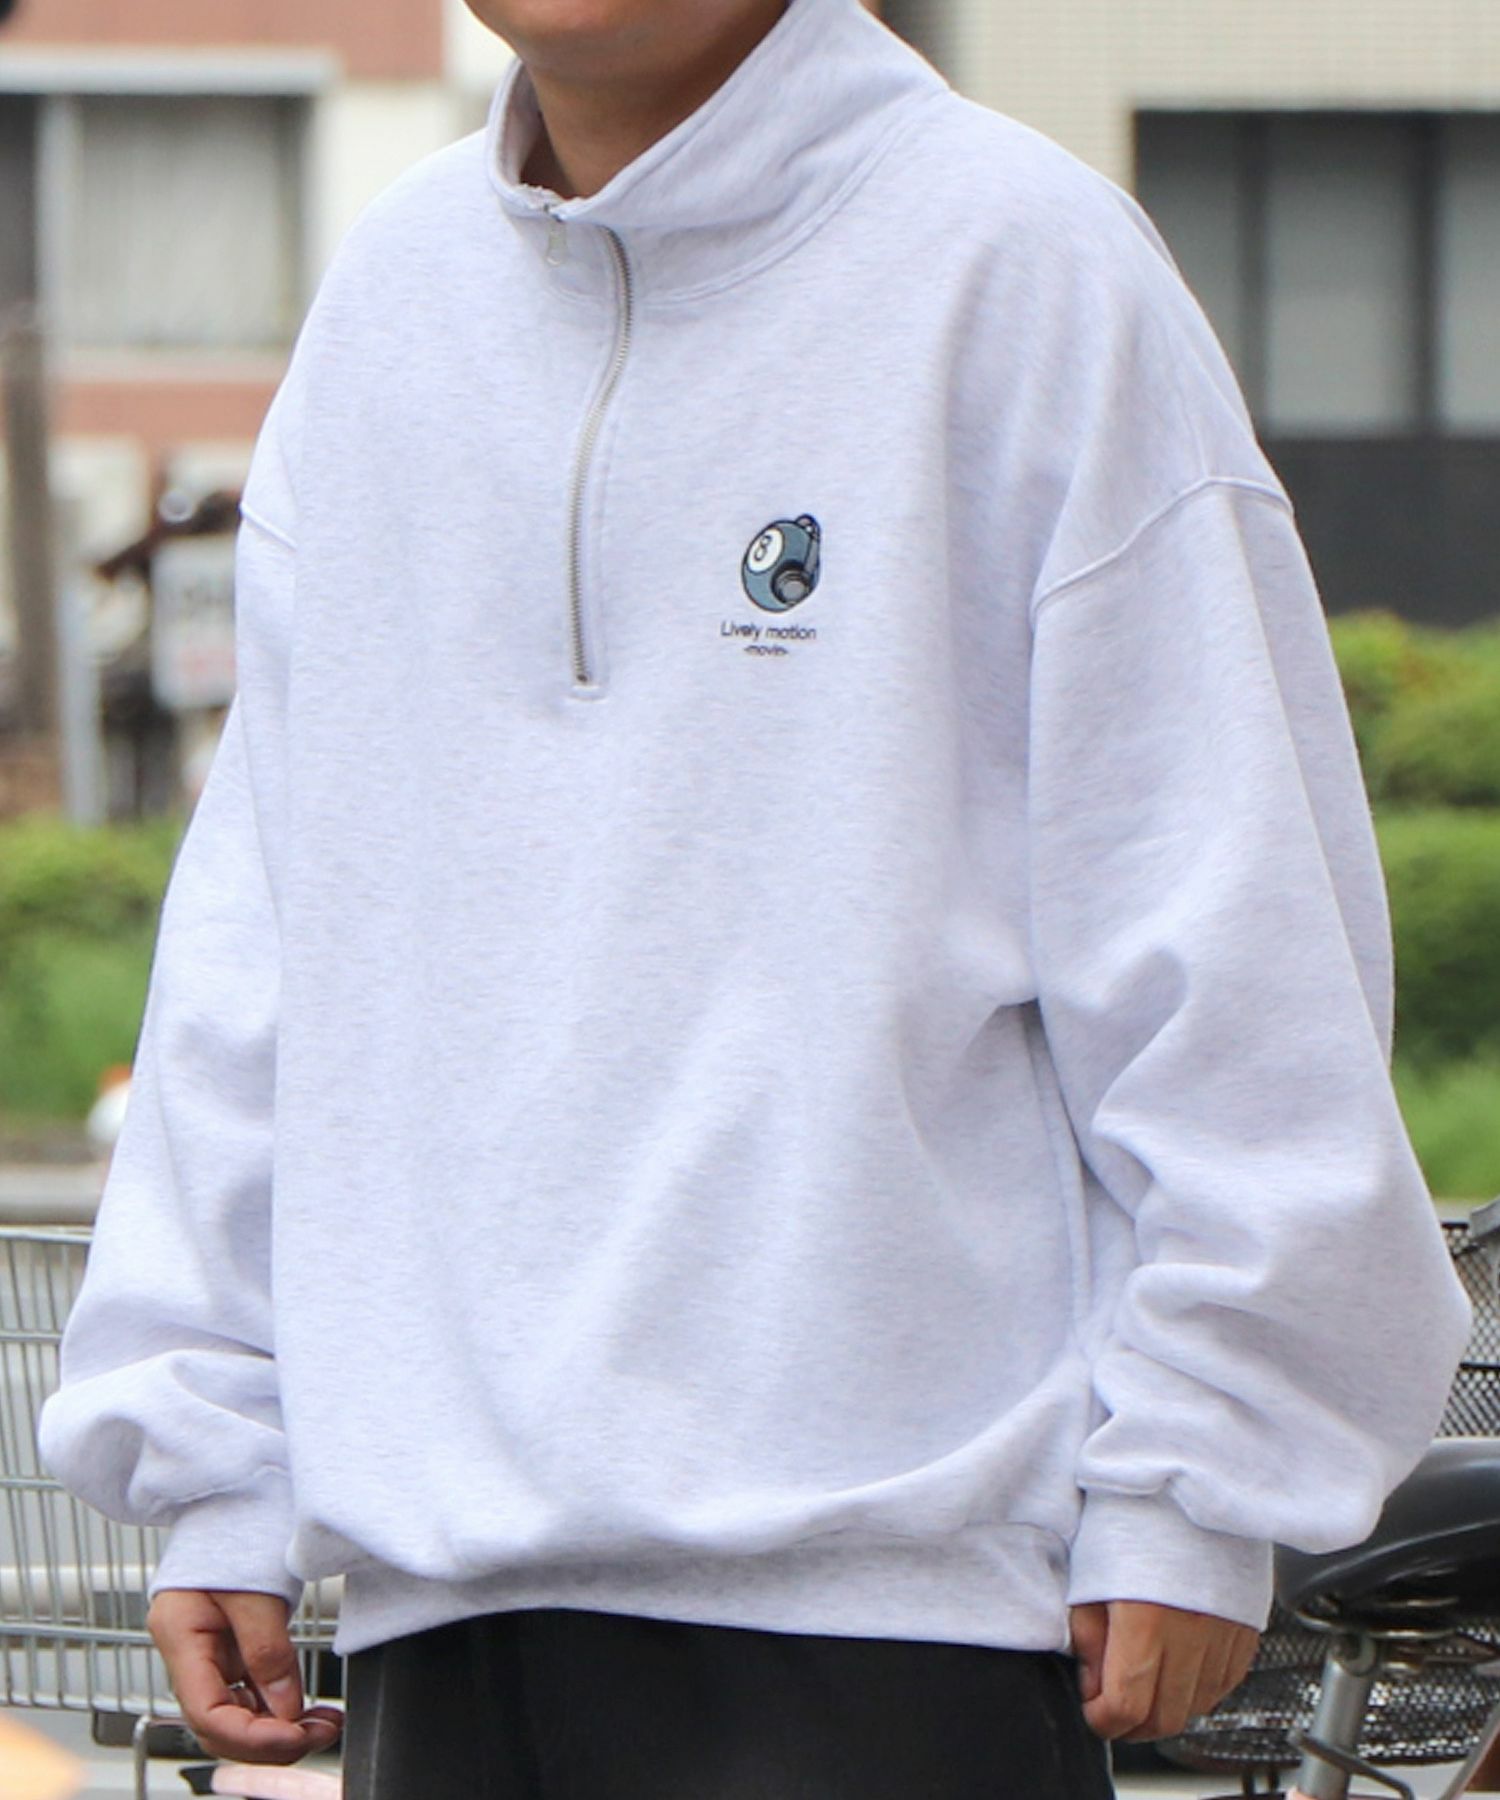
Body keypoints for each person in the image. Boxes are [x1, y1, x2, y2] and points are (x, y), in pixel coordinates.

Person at [39, 1, 1473, 1794]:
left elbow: (1225, 911)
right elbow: (264, 931)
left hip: (910, 1612)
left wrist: (1201, 1478)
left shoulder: (1022, 266)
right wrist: (217, 1460)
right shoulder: (393, 302)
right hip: (447, 1601)